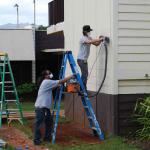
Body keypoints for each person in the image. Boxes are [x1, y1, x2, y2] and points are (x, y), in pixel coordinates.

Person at [33, 69, 73, 145]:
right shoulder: (46, 82)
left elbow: (52, 87)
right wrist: (71, 76)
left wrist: (57, 86)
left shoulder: (47, 83)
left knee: (49, 122)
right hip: (41, 107)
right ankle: (37, 140)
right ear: (45, 76)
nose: (50, 74)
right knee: (39, 123)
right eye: (49, 74)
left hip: (45, 108)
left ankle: (47, 138)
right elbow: (60, 81)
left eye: (50, 73)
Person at [77, 25, 103, 90]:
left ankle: (82, 87)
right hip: (81, 59)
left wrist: (100, 40)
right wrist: (100, 39)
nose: (89, 32)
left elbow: (96, 44)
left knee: (85, 74)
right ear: (85, 31)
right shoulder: (82, 38)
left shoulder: (89, 37)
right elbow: (90, 42)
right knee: (84, 74)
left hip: (84, 60)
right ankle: (82, 88)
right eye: (88, 31)